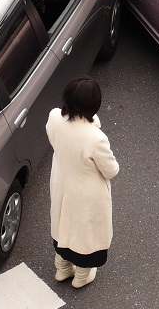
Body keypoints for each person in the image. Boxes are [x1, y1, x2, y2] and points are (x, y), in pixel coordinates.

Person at [46, 76, 119, 288]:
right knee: (85, 235)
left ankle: (62, 268)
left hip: (61, 182)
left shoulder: (53, 118)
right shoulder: (96, 138)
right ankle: (81, 276)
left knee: (62, 225)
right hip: (87, 194)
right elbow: (111, 170)